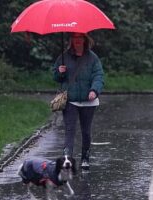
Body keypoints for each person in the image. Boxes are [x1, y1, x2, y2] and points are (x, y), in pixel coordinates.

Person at [52, 32, 104, 170]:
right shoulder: (64, 57)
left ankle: (85, 158)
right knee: (70, 130)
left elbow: (98, 75)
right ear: (71, 41)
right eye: (74, 38)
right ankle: (67, 160)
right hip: (71, 100)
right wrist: (59, 71)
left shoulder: (93, 58)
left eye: (80, 38)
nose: (77, 41)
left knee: (86, 131)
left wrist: (94, 90)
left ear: (85, 40)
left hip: (89, 101)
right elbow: (56, 77)